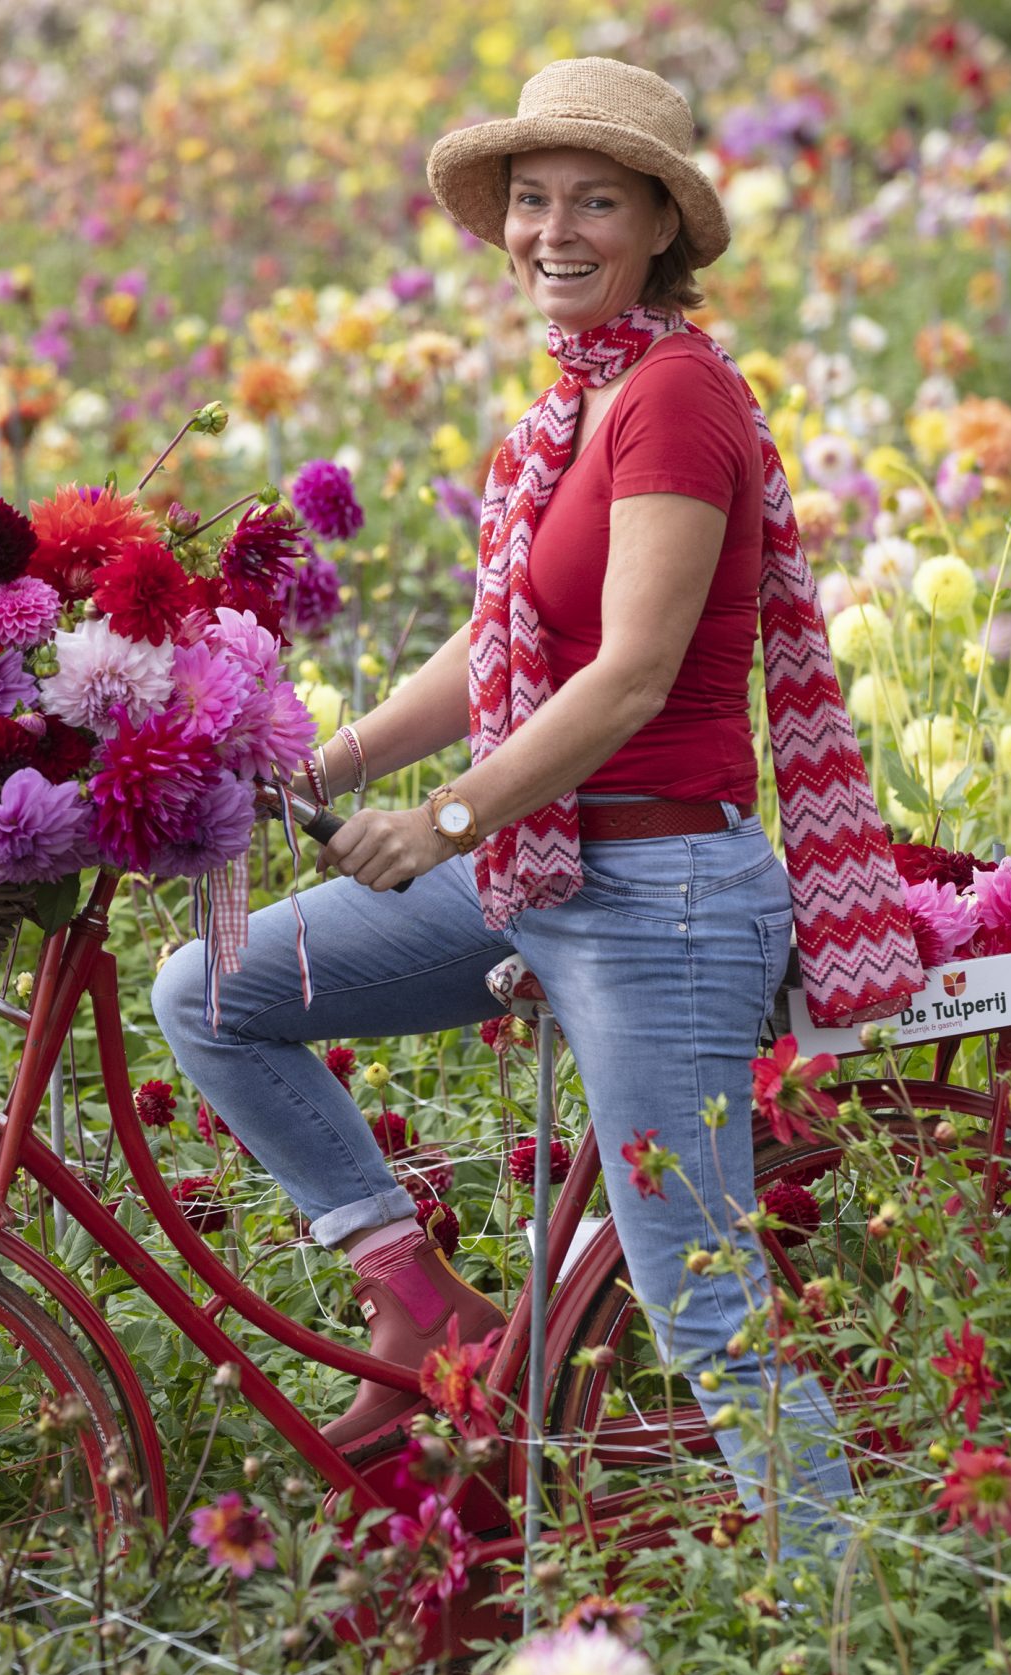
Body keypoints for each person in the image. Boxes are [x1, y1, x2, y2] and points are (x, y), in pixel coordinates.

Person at [152, 59, 926, 1540]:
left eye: (594, 201)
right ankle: (419, 1300)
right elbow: (495, 647)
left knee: (702, 1301)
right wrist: (324, 772)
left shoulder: (678, 397)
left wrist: (442, 821)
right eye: (531, 200)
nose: (552, 230)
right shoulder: (571, 409)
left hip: (663, 899)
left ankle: (846, 1613)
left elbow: (629, 676)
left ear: (657, 229)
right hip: (542, 876)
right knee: (213, 988)